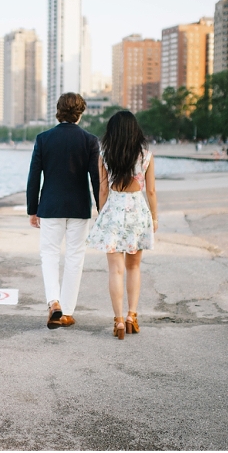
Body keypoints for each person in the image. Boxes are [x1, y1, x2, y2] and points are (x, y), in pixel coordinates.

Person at [27, 93, 100, 329]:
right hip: (79, 207)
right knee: (75, 257)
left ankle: (53, 302)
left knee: (49, 255)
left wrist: (32, 209)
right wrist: (102, 209)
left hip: (50, 206)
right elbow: (97, 179)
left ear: (57, 111)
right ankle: (66, 312)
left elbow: (33, 177)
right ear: (80, 113)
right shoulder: (90, 140)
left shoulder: (43, 139)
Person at [86, 111, 157, 340]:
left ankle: (117, 320)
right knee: (133, 268)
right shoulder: (146, 156)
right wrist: (154, 218)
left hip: (114, 212)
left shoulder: (105, 155)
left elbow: (103, 189)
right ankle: (131, 317)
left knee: (115, 270)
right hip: (137, 212)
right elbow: (152, 191)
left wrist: (102, 215)